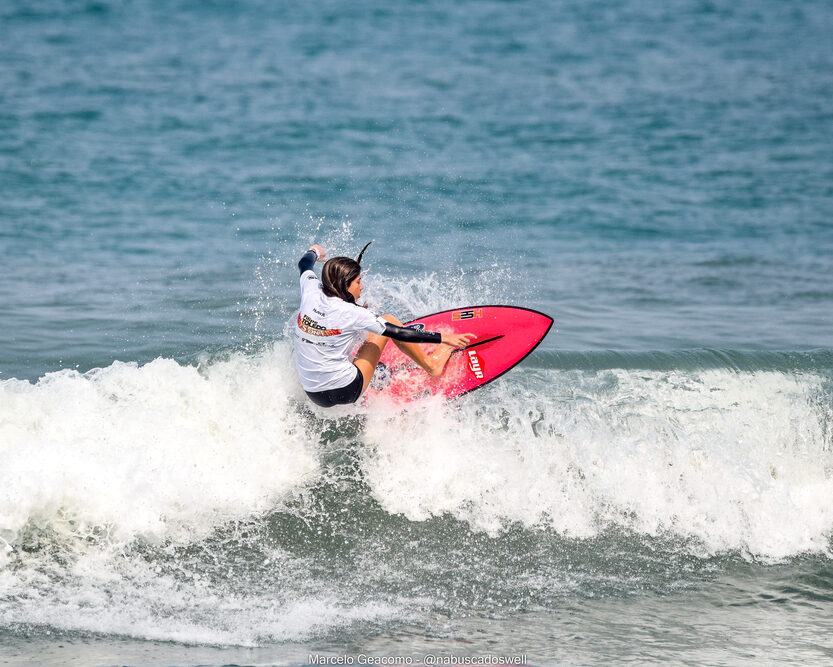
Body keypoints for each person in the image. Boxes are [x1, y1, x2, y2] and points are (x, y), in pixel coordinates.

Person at [294, 243, 475, 408]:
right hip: (347, 389)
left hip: (313, 393)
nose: (362, 287)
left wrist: (315, 251)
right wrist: (445, 338)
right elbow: (399, 333)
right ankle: (431, 365)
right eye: (358, 282)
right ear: (345, 285)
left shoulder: (311, 289)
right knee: (388, 320)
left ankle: (371, 372)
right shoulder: (354, 313)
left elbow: (304, 263)